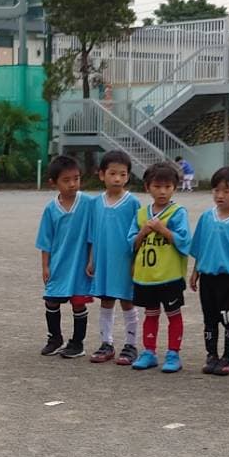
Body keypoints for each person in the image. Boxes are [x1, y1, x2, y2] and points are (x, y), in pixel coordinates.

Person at [190, 166, 229, 376]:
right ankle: (211, 355)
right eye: (216, 190)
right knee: (209, 318)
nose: (220, 195)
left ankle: (227, 357)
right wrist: (196, 271)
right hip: (208, 277)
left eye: (226, 191)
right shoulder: (207, 217)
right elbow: (200, 246)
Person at [129, 161, 192, 372]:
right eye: (157, 186)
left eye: (167, 187)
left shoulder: (177, 212)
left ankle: (173, 353)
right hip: (146, 276)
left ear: (175, 187)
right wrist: (143, 232)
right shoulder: (140, 214)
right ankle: (149, 352)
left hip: (169, 276)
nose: (162, 191)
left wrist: (162, 230)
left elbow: (184, 241)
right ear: (147, 187)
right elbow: (132, 243)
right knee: (151, 313)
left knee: (173, 313)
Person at [35, 155, 96, 358]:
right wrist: (45, 266)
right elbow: (46, 240)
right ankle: (55, 338)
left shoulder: (88, 203)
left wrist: (91, 259)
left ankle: (77, 343)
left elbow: (94, 234)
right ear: (54, 183)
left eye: (76, 178)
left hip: (80, 265)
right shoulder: (51, 209)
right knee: (51, 301)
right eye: (66, 180)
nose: (72, 184)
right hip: (58, 264)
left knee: (78, 303)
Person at [87, 151, 142, 366]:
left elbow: (138, 235)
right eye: (112, 173)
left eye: (122, 174)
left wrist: (135, 262)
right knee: (106, 300)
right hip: (103, 260)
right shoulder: (96, 203)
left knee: (127, 301)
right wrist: (91, 259)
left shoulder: (132, 202)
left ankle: (130, 345)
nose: (117, 178)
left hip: (125, 261)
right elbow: (92, 234)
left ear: (128, 176)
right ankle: (106, 343)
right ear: (102, 175)